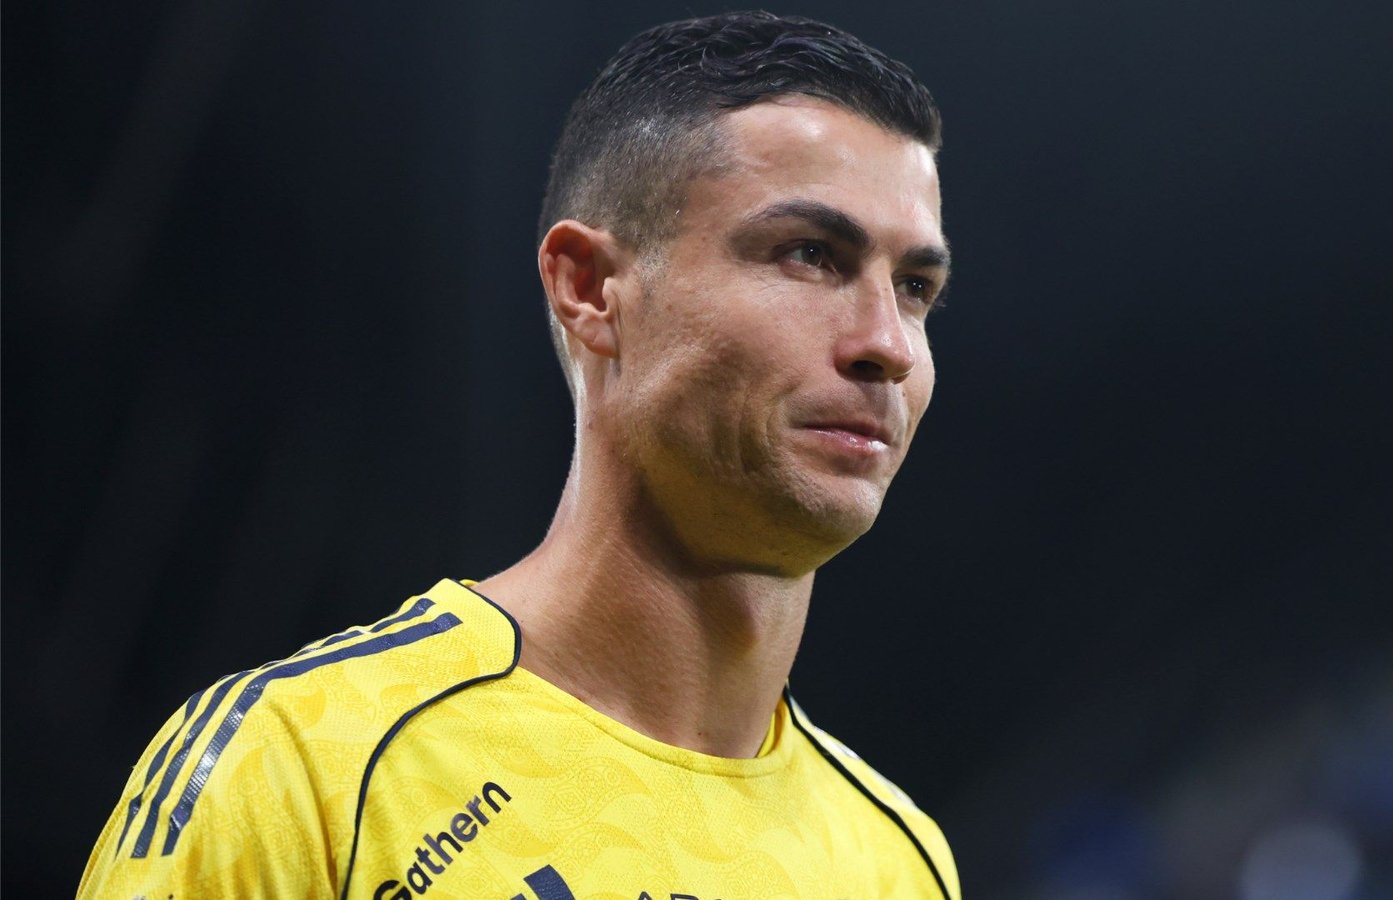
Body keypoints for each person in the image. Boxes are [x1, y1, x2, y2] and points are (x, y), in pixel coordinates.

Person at [78, 11, 958, 899]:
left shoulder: (901, 863)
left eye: (917, 287)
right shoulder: (302, 769)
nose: (888, 343)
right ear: (590, 288)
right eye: (810, 254)